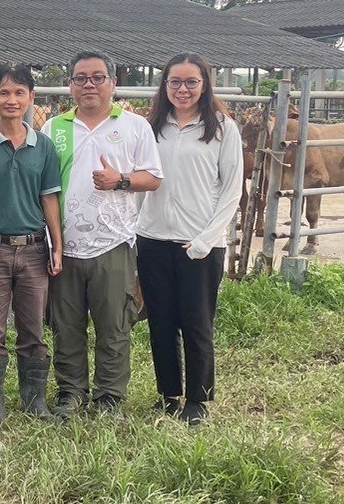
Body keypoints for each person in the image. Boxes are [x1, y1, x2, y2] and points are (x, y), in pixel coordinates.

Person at [42, 51, 162, 418]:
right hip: (64, 245)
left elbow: (153, 178)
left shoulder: (134, 126)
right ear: (70, 85)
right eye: (80, 78)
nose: (89, 84)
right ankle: (71, 392)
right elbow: (44, 187)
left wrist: (120, 181)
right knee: (66, 325)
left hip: (115, 242)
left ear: (113, 83)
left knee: (114, 325)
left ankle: (109, 396)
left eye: (97, 77)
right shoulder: (53, 128)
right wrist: (52, 242)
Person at [137, 53, 243, 426]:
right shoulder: (151, 127)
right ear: (164, 86)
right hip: (152, 239)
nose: (182, 90)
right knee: (160, 322)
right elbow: (139, 183)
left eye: (191, 82)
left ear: (204, 84)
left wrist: (205, 240)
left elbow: (231, 191)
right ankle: (168, 394)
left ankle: (197, 400)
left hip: (199, 244)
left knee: (197, 323)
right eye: (175, 82)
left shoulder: (221, 129)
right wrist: (136, 230)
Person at [0, 63, 64, 426]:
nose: (12, 99)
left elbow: (49, 198)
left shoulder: (44, 147)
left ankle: (34, 400)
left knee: (34, 328)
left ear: (32, 99)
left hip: (35, 249)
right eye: (4, 93)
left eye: (20, 92)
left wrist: (57, 244)